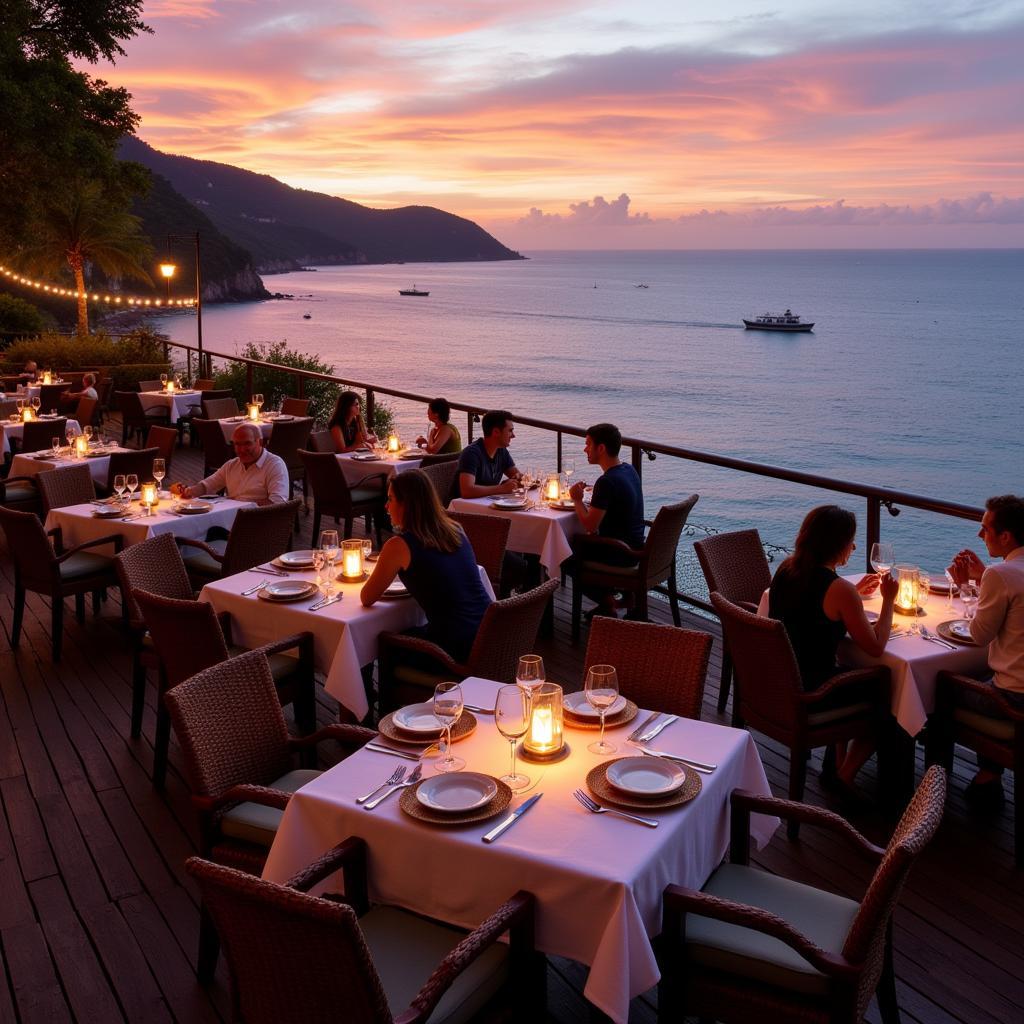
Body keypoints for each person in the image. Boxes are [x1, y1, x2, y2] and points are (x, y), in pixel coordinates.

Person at [768, 505, 898, 793]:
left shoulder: (786, 568)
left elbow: (810, 611)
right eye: (850, 540)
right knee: (889, 694)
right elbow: (876, 647)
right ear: (838, 544)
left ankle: (836, 762)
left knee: (849, 671)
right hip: (814, 693)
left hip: (781, 683)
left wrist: (855, 596)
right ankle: (845, 776)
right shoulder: (838, 589)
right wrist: (889, 600)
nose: (853, 546)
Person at [362, 470, 491, 662]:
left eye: (391, 499)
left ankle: (370, 692)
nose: (386, 506)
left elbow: (367, 597)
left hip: (454, 650)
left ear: (407, 505)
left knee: (379, 643)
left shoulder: (399, 545)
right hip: (488, 635)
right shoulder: (455, 529)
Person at [946, 494, 1024, 799]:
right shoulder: (1002, 573)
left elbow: (979, 635)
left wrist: (966, 584)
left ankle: (934, 786)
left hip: (1013, 701)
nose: (980, 535)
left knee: (939, 686)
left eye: (986, 529)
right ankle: (988, 776)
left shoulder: (1001, 574)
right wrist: (985, 577)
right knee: (983, 675)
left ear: (1005, 536)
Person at [567, 422, 646, 615]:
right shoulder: (628, 470)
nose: (585, 449)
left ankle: (607, 601)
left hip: (620, 553)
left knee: (564, 553)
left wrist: (576, 499)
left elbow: (590, 526)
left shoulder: (607, 481)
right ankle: (623, 597)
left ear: (601, 448)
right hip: (637, 545)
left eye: (588, 444)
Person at [173, 422, 289, 505]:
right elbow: (207, 485)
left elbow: (277, 503)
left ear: (260, 442)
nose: (242, 449)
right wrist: (188, 491)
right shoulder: (232, 465)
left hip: (259, 525)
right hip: (230, 521)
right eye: (237, 444)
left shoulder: (274, 465)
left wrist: (241, 509)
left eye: (247, 443)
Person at [456, 409, 521, 498]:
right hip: (463, 508)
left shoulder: (501, 450)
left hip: (487, 504)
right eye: (510, 431)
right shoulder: (471, 453)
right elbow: (467, 491)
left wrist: (521, 480)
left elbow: (517, 475)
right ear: (496, 432)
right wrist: (501, 488)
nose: (513, 435)